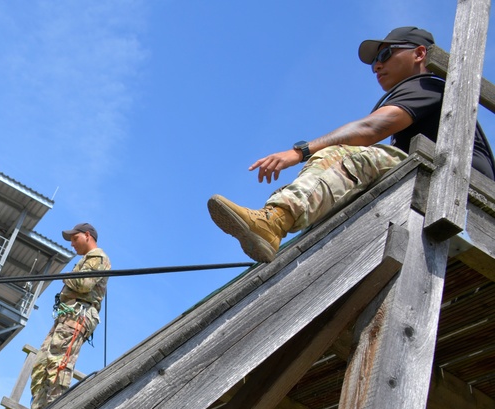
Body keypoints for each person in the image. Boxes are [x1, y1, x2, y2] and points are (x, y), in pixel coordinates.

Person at [208, 26, 495, 263]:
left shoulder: (429, 85)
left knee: (342, 157)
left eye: (385, 54)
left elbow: (371, 128)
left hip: (462, 189)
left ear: (420, 53)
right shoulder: (418, 93)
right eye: (374, 63)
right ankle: (280, 224)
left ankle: (276, 220)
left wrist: (299, 152)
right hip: (437, 180)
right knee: (346, 175)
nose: (377, 65)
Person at [9, 222, 110, 409]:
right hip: (66, 316)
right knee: (42, 362)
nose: (72, 244)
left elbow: (84, 284)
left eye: (75, 238)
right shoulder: (85, 260)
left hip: (78, 315)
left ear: (87, 235)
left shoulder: (98, 258)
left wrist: (65, 278)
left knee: (59, 360)